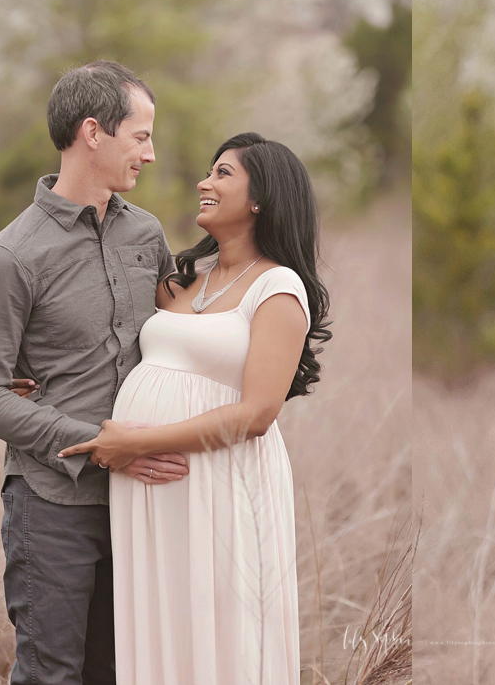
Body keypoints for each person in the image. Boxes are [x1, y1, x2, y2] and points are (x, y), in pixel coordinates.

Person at [57, 132, 332, 683]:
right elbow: (100, 329)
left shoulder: (278, 288)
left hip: (220, 483)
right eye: (209, 171)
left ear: (262, 198)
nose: (205, 182)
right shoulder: (182, 281)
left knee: (219, 628)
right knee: (161, 622)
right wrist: (30, 370)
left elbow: (257, 414)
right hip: (149, 488)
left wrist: (133, 443)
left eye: (223, 174)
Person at [0, 60, 188, 684]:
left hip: (141, 500)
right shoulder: (10, 258)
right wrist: (99, 445)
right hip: (52, 504)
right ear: (93, 132)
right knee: (53, 675)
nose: (152, 153)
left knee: (123, 670)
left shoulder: (147, 233)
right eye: (140, 136)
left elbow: (177, 336)